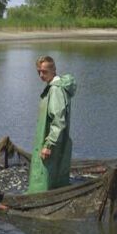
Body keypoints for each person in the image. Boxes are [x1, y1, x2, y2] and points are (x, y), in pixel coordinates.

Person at [27, 56, 74, 194]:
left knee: (43, 177)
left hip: (51, 142)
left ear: (54, 70)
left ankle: (38, 198)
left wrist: (48, 145)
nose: (41, 75)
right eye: (39, 72)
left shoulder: (55, 90)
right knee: (55, 176)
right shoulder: (55, 87)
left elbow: (58, 120)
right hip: (57, 142)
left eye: (45, 71)